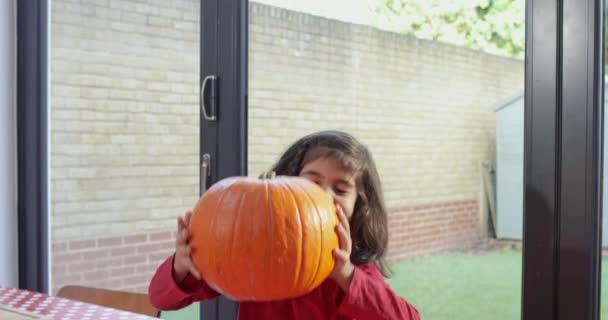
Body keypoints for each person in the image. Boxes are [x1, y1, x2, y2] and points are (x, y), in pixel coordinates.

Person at [148, 130, 421, 320]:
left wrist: (347, 277)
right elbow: (162, 298)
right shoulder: (251, 255)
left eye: (340, 189)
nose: (324, 196)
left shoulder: (352, 267)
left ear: (358, 206)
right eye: (312, 182)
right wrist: (181, 268)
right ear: (287, 185)